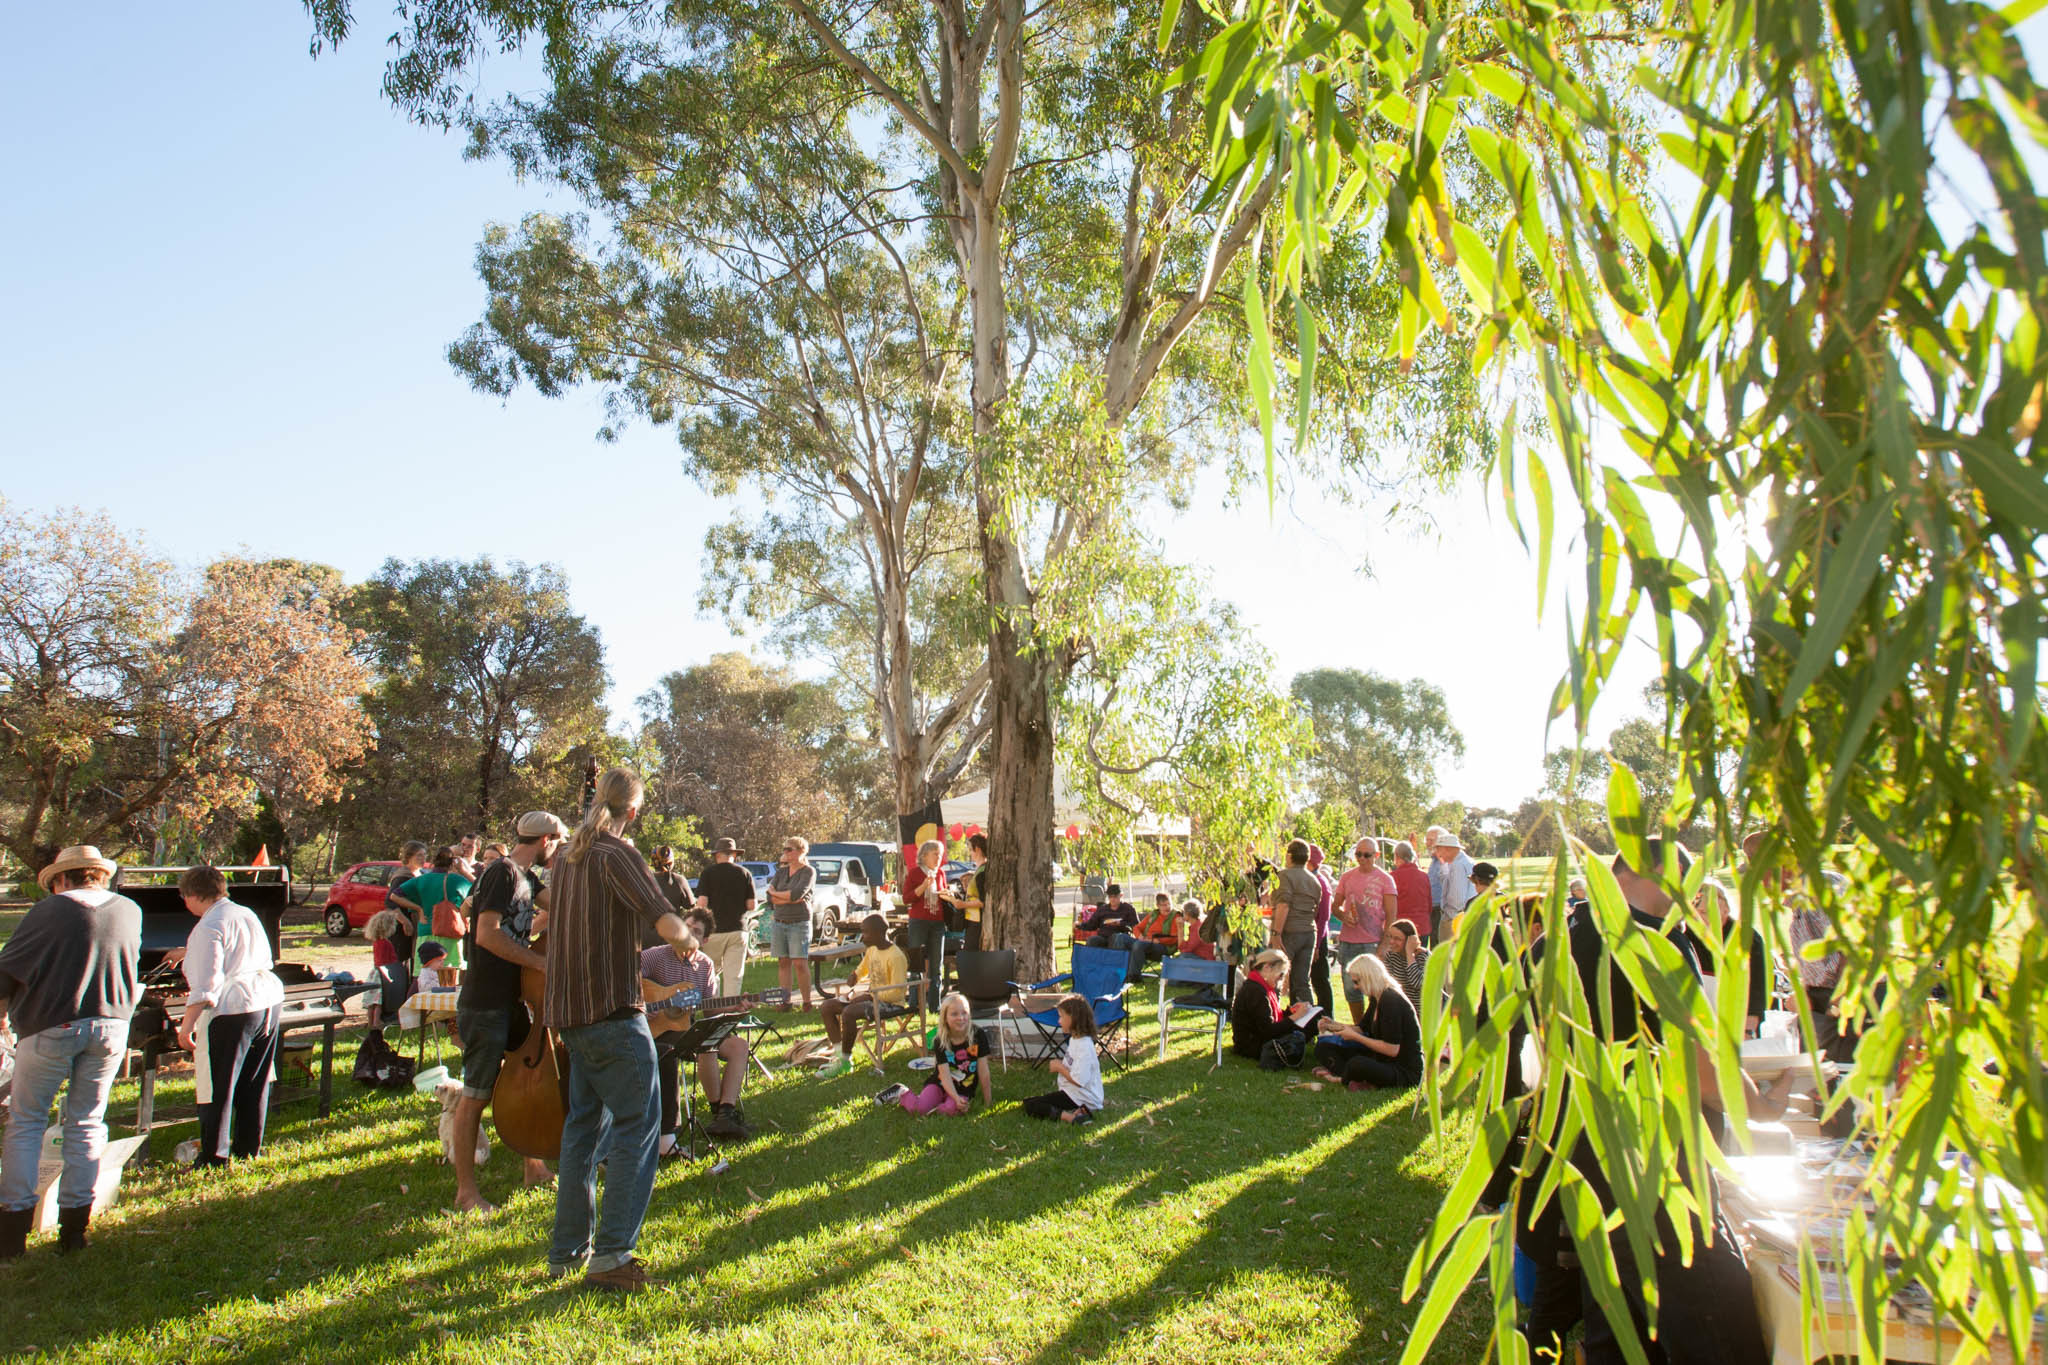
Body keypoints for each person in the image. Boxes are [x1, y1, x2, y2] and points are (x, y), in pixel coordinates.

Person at [542, 767, 696, 1291]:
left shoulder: (566, 857)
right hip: (610, 1012)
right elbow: (665, 919)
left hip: (569, 1014)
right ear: (633, 812)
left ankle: (566, 1253)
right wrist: (687, 942)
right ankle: (611, 1258)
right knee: (639, 1125)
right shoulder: (617, 854)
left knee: (583, 1128)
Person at [0, 846, 142, 1258]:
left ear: (62, 879)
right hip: (112, 1025)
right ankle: (74, 1230)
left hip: (52, 1024)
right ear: (97, 875)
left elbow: (8, 970)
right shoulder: (129, 909)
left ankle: (12, 1232)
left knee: (27, 1122)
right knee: (86, 1123)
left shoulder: (51, 910)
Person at [450, 810, 563, 1214]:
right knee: (476, 1095)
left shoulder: (525, 876)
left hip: (514, 1001)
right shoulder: (501, 873)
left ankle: (533, 1166)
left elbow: (564, 906)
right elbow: (485, 933)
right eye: (559, 843)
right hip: (485, 1002)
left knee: (529, 1080)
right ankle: (466, 1193)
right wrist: (538, 962)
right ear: (546, 839)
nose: (558, 850)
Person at [174, 864, 288, 1169]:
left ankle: (214, 1156)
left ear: (194, 895)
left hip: (232, 1009)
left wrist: (186, 1027)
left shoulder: (207, 927)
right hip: (266, 1002)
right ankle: (248, 1148)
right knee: (255, 1080)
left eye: (185, 897)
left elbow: (206, 986)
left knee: (219, 1086)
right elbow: (240, 954)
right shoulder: (244, 912)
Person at [642, 911, 753, 1143]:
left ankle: (725, 1113)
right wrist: (645, 1005)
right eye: (687, 926)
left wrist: (735, 1008)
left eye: (696, 931)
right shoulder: (655, 956)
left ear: (704, 941)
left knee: (738, 1046)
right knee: (706, 1044)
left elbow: (710, 1011)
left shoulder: (705, 965)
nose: (689, 933)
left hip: (690, 1029)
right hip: (662, 1032)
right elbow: (627, 980)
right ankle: (716, 1111)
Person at [1312, 952, 1422, 1091]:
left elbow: (1392, 1049)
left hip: (1402, 1069)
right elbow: (1362, 1028)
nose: (1356, 987)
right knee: (1323, 1048)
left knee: (1357, 1063)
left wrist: (1356, 1037)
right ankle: (1353, 1076)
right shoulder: (1377, 997)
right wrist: (1332, 1025)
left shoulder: (1390, 1000)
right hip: (1382, 1059)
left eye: (1357, 982)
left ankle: (1344, 1077)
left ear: (1369, 978)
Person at [817, 914, 908, 1077]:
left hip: (891, 1003)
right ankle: (840, 1059)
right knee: (827, 1007)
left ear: (879, 933)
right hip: (872, 997)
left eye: (865, 932)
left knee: (849, 1013)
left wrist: (871, 995)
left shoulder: (896, 956)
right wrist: (855, 975)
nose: (862, 936)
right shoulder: (872, 950)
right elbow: (863, 968)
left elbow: (898, 992)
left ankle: (845, 1060)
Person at [1680, 878, 1768, 1039]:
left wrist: (1747, 1032)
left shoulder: (1746, 938)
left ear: (1726, 909)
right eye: (1701, 913)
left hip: (1737, 1026)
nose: (1707, 919)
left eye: (1713, 911)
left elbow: (1756, 994)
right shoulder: (1685, 937)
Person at [1333, 839, 1398, 1024]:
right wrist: (1343, 916)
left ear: (1376, 856)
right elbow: (1335, 906)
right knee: (1350, 988)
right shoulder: (1347, 877)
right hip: (1349, 940)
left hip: (1373, 940)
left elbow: (1391, 915)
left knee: (1375, 987)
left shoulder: (1386, 879)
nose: (1362, 859)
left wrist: (1385, 945)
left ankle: (1375, 1026)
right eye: (1358, 854)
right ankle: (1359, 1025)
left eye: (1367, 855)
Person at [896, 992, 993, 1115]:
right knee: (918, 1109)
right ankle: (902, 1092)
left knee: (955, 1109)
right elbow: (945, 1075)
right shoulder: (940, 1040)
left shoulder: (978, 1035)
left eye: (964, 1013)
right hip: (939, 1083)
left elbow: (984, 1072)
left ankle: (936, 1109)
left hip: (963, 1088)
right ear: (945, 1018)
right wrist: (956, 1098)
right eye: (954, 1014)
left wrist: (988, 1102)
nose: (961, 1018)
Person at [390, 846, 473, 990]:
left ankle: (414, 1009)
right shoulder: (458, 880)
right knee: (448, 978)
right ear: (453, 862)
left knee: (421, 977)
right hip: (450, 932)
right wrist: (463, 871)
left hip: (425, 931)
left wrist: (419, 909)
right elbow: (479, 890)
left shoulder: (422, 879)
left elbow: (394, 895)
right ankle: (444, 1011)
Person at [1021, 994, 1103, 1124]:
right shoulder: (1075, 1039)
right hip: (1073, 1094)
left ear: (1073, 1018)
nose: (1059, 1021)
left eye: (1061, 1016)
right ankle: (1077, 1111)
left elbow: (1079, 1080)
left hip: (1083, 1097)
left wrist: (1059, 1067)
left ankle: (1071, 1118)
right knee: (1029, 1102)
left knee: (1032, 1106)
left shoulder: (1084, 1046)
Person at [693, 837, 756, 998]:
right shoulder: (745, 873)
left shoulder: (708, 873)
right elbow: (751, 905)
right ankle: (730, 1011)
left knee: (711, 972)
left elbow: (702, 903)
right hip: (738, 929)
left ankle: (714, 1010)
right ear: (734, 854)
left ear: (717, 855)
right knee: (734, 975)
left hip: (713, 931)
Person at [766, 836, 818, 1011]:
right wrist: (786, 898)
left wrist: (783, 896)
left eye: (790, 849)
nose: (786, 853)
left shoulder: (808, 872)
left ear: (801, 851)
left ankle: (806, 1002)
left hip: (799, 922)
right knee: (783, 962)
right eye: (784, 849)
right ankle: (785, 1001)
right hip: (780, 921)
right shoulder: (781, 872)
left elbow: (797, 894)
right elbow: (770, 896)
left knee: (799, 963)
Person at [1229, 947, 1310, 1060]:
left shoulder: (1259, 987)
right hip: (1251, 1046)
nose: (1280, 980)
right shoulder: (1256, 991)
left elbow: (1268, 1019)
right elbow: (1268, 1031)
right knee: (1307, 1025)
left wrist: (1290, 1012)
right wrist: (1296, 1016)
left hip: (1253, 1041)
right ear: (1267, 968)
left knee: (1311, 1018)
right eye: (1280, 975)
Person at [1269, 840, 1322, 1004]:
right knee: (1302, 981)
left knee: (1275, 976)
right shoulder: (1314, 880)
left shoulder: (1284, 875)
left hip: (1289, 930)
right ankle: (1307, 1021)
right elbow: (1316, 910)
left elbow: (1283, 905)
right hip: (1308, 932)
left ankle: (1272, 1016)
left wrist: (1276, 933)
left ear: (1289, 855)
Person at [899, 838, 948, 1011]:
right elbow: (906, 898)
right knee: (917, 963)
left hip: (937, 923)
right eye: (935, 854)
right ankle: (914, 1004)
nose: (938, 858)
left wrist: (948, 894)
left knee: (937, 964)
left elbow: (944, 895)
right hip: (919, 922)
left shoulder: (941, 873)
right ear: (925, 855)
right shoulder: (914, 873)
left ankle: (935, 1005)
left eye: (940, 855)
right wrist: (923, 886)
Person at [1306, 844, 1336, 1013]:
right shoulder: (1309, 880)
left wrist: (1316, 945)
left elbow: (1324, 917)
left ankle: (1328, 1015)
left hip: (1319, 937)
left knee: (1320, 979)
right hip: (1310, 935)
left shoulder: (1321, 884)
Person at [1431, 833, 1477, 942]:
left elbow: (1457, 898)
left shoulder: (1458, 865)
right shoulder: (1467, 861)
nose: (1438, 854)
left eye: (1439, 850)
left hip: (1454, 918)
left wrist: (1447, 915)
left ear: (1447, 849)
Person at [950, 833, 990, 952]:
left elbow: (983, 901)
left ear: (977, 849)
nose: (969, 853)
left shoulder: (982, 871)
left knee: (971, 955)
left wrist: (963, 905)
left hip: (977, 923)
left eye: (970, 850)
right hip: (972, 920)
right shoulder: (980, 870)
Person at [1378, 918, 1431, 1006]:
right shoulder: (1391, 956)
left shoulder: (1423, 956)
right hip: (1403, 1010)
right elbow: (1387, 986)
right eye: (1390, 936)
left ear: (1410, 940)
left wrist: (1409, 953)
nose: (1391, 942)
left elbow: (1417, 983)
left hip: (1425, 1010)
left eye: (1397, 939)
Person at [1114, 892, 1179, 964]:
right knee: (1120, 937)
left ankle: (1133, 974)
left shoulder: (1175, 916)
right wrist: (1140, 936)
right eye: (1164, 905)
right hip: (1145, 942)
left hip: (1162, 946)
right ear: (1158, 906)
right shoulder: (1153, 915)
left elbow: (1174, 938)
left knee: (1139, 945)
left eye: (1169, 904)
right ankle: (1120, 968)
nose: (1167, 907)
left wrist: (1157, 940)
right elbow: (1136, 928)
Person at [1391, 841, 1432, 949]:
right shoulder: (1424, 876)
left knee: (1400, 964)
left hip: (1401, 928)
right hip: (1422, 927)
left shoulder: (1393, 877)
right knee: (1419, 962)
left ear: (1397, 856)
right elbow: (1429, 904)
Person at [1072, 882, 1138, 948]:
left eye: (1115, 897)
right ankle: (1091, 957)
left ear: (1121, 895)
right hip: (1104, 937)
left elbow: (1136, 926)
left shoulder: (1128, 908)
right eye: (1110, 897)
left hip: (1121, 936)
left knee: (1117, 938)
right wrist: (1079, 925)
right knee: (1092, 940)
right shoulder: (1103, 909)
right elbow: (1092, 924)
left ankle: (1116, 957)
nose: (1112, 899)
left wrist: (1121, 924)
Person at [648, 846, 692, 916]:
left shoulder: (646, 879)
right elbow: (690, 905)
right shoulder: (679, 880)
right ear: (671, 862)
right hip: (673, 925)